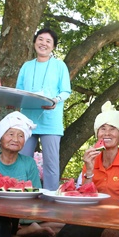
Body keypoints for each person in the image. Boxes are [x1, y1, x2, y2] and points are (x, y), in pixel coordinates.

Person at [10, 101, 119, 237]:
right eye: (102, 128)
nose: (107, 132)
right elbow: (85, 196)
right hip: (94, 216)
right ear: (97, 134)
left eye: (112, 128)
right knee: (79, 226)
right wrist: (88, 170)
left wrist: (114, 226)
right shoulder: (92, 159)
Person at [0, 111, 58, 237]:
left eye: (21, 136)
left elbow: (36, 195)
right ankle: (26, 231)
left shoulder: (29, 163)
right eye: (10, 134)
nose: (16, 139)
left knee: (61, 222)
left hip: (23, 215)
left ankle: (22, 229)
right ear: (0, 138)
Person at [16, 28, 71, 191]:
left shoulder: (60, 65)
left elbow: (66, 91)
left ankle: (50, 203)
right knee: (22, 161)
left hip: (51, 122)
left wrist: (56, 100)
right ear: (34, 42)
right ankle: (20, 197)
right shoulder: (26, 66)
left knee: (51, 165)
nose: (43, 43)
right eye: (40, 39)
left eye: (48, 41)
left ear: (53, 46)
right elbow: (19, 90)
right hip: (26, 121)